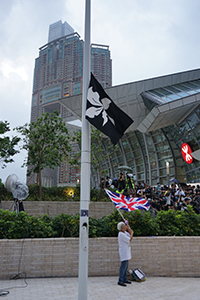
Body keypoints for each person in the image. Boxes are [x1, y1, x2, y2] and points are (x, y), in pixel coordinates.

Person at [117, 221, 133, 287]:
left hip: (127, 251)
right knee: (123, 267)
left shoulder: (124, 232)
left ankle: (125, 279)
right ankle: (120, 281)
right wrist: (132, 233)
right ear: (122, 228)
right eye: (124, 226)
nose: (125, 226)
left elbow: (129, 235)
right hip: (124, 252)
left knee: (126, 267)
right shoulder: (121, 234)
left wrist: (129, 229)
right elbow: (129, 239)